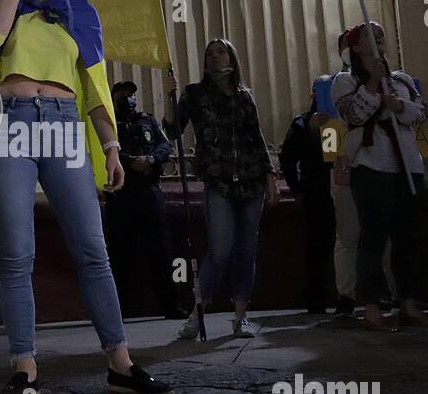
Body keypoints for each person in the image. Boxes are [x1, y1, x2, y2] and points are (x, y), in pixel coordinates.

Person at [0, 0, 173, 394]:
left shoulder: (80, 9)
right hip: (7, 121)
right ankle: (24, 365)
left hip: (61, 122)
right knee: (17, 252)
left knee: (92, 250)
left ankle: (120, 363)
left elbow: (94, 86)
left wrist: (112, 145)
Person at [163, 38, 279, 339]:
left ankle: (241, 317)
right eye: (210, 53)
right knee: (220, 251)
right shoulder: (195, 93)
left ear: (232, 57)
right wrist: (168, 98)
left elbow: (257, 137)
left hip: (251, 179)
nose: (215, 57)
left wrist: (270, 177)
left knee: (246, 251)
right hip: (219, 181)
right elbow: (173, 130)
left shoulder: (244, 96)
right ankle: (196, 313)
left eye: (221, 51)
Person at [332, 23, 428, 333]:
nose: (377, 38)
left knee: (408, 238)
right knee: (373, 239)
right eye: (369, 36)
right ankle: (372, 307)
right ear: (355, 46)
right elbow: (352, 115)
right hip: (372, 166)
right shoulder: (344, 80)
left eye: (381, 34)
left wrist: (400, 105)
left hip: (407, 166)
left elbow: (421, 113)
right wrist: (374, 84)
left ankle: (408, 303)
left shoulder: (402, 79)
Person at [104, 80, 186, 320]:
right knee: (120, 254)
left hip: (149, 191)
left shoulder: (147, 120)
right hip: (120, 193)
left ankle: (172, 305)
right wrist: (131, 162)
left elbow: (164, 145)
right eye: (123, 94)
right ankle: (120, 310)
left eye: (132, 94)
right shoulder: (110, 123)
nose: (128, 98)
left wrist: (150, 160)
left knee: (162, 251)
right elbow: (109, 150)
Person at [280, 85, 336, 313]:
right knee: (317, 247)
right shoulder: (302, 123)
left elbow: (333, 154)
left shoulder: (339, 120)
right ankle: (317, 298)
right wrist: (297, 189)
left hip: (340, 189)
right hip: (315, 192)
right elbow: (287, 158)